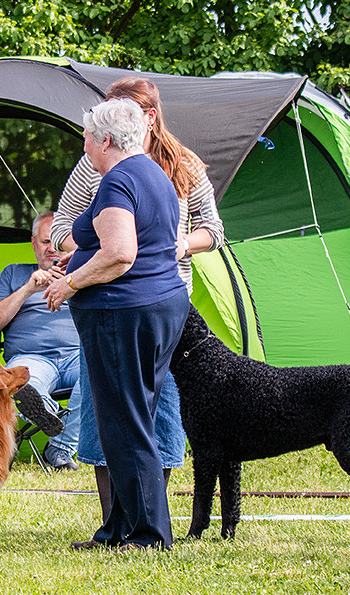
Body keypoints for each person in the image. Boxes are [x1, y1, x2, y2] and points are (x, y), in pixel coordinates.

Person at [50, 76, 225, 528]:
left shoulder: (169, 169)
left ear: (145, 118)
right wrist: (79, 246)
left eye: (90, 133)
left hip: (129, 306)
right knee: (115, 418)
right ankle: (119, 523)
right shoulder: (129, 172)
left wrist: (71, 282)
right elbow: (65, 226)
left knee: (137, 419)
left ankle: (148, 527)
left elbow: (123, 252)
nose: (84, 141)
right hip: (144, 302)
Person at [0, 211, 82, 470]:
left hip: (78, 356)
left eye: (59, 241)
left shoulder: (86, 275)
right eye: (45, 242)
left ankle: (59, 446)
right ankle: (48, 414)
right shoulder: (14, 274)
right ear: (33, 243)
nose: (52, 249)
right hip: (30, 358)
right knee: (26, 384)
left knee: (100, 374)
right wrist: (27, 290)